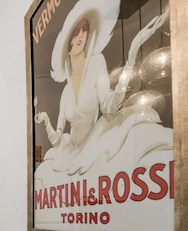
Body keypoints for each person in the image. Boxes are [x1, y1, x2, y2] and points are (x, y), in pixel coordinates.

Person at [34, 0, 171, 177]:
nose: (81, 35)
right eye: (76, 32)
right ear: (68, 42)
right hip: (70, 150)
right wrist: (45, 120)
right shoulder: (66, 93)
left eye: (85, 29)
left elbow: (109, 107)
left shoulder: (97, 63)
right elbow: (56, 140)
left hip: (93, 142)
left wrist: (131, 56)